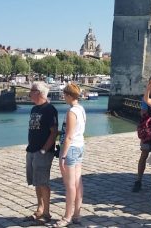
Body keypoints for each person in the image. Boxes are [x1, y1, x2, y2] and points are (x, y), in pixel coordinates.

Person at [25, 81, 58, 225]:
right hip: (31, 150)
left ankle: (47, 213)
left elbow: (54, 132)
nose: (29, 93)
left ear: (38, 93)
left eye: (31, 91)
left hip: (43, 152)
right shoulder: (34, 109)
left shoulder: (49, 109)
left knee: (43, 182)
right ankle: (40, 208)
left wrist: (44, 149)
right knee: (36, 182)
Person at [53, 83, 86, 227]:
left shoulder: (71, 112)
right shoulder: (81, 109)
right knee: (78, 182)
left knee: (70, 185)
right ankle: (77, 214)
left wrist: (63, 156)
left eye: (64, 95)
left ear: (68, 95)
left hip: (71, 148)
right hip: (79, 146)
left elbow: (68, 136)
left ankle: (67, 216)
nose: (63, 97)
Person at [133, 76, 151, 192]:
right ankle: (139, 180)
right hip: (148, 130)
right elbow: (143, 113)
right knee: (144, 155)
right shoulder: (146, 97)